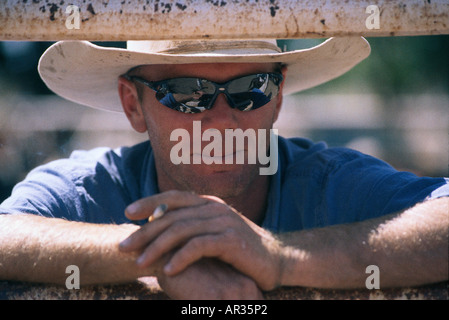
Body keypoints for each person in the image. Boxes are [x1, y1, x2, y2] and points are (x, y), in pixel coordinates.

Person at [0, 37, 447, 300]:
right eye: (184, 93)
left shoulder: (330, 183)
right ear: (132, 104)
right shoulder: (88, 188)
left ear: (279, 95)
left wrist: (277, 257)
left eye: (251, 89)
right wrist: (164, 254)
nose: (219, 119)